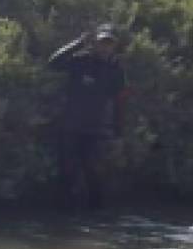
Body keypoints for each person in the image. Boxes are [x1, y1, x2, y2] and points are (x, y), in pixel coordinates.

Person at [46, 24, 130, 209]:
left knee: (94, 174)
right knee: (67, 172)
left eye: (109, 43)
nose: (105, 47)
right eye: (102, 42)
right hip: (70, 127)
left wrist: (118, 133)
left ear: (114, 45)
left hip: (96, 130)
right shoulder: (80, 61)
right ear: (95, 43)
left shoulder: (116, 70)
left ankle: (96, 220)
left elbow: (120, 102)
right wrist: (76, 44)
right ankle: (63, 217)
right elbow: (53, 63)